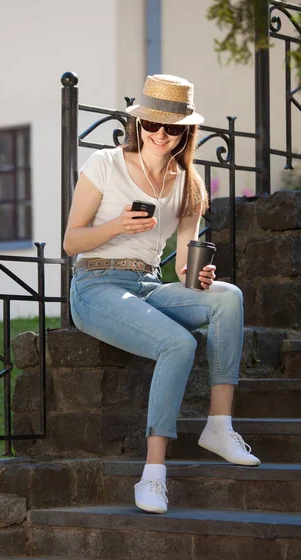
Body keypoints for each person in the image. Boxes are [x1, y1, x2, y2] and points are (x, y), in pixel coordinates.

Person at [63, 74, 260, 515]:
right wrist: (117, 226)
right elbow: (71, 242)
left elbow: (181, 265)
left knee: (228, 297)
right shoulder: (105, 165)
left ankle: (219, 425)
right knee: (178, 341)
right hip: (96, 284)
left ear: (185, 133)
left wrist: (197, 274)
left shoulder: (187, 181)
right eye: (152, 125)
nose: (160, 135)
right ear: (139, 125)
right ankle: (153, 475)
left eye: (172, 128)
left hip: (149, 285)